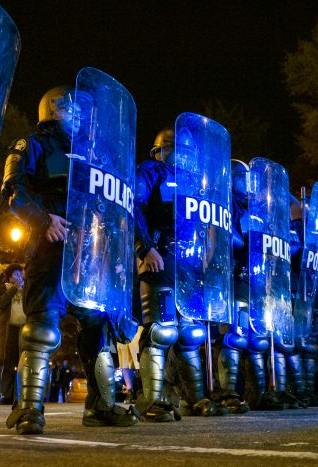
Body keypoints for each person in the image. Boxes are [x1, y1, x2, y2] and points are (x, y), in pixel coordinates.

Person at [0, 85, 139, 434]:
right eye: (68, 109)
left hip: (88, 252)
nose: (76, 115)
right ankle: (30, 408)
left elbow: (112, 202)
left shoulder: (93, 154)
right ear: (51, 110)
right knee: (43, 326)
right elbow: (12, 189)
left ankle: (102, 405)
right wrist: (42, 219)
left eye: (79, 110)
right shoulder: (32, 144)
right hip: (51, 244)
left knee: (97, 328)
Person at [132, 127, 226, 421]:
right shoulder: (151, 171)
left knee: (191, 333)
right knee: (161, 329)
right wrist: (144, 247)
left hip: (189, 263)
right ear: (162, 150)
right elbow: (131, 205)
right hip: (159, 255)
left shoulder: (194, 183)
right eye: (177, 149)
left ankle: (194, 398)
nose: (184, 156)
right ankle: (153, 399)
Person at [212, 159, 251, 413]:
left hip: (246, 279)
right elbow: (226, 237)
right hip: (225, 276)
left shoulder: (251, 206)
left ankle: (248, 392)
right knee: (230, 334)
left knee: (246, 336)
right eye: (241, 177)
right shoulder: (223, 203)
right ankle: (226, 392)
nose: (246, 183)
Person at [0, 263, 26, 404]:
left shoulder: (27, 288)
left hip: (24, 329)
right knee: (8, 363)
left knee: (24, 362)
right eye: (15, 274)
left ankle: (22, 395)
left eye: (20, 274)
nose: (18, 277)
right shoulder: (4, 288)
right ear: (9, 277)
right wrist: (13, 289)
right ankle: (6, 395)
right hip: (10, 329)